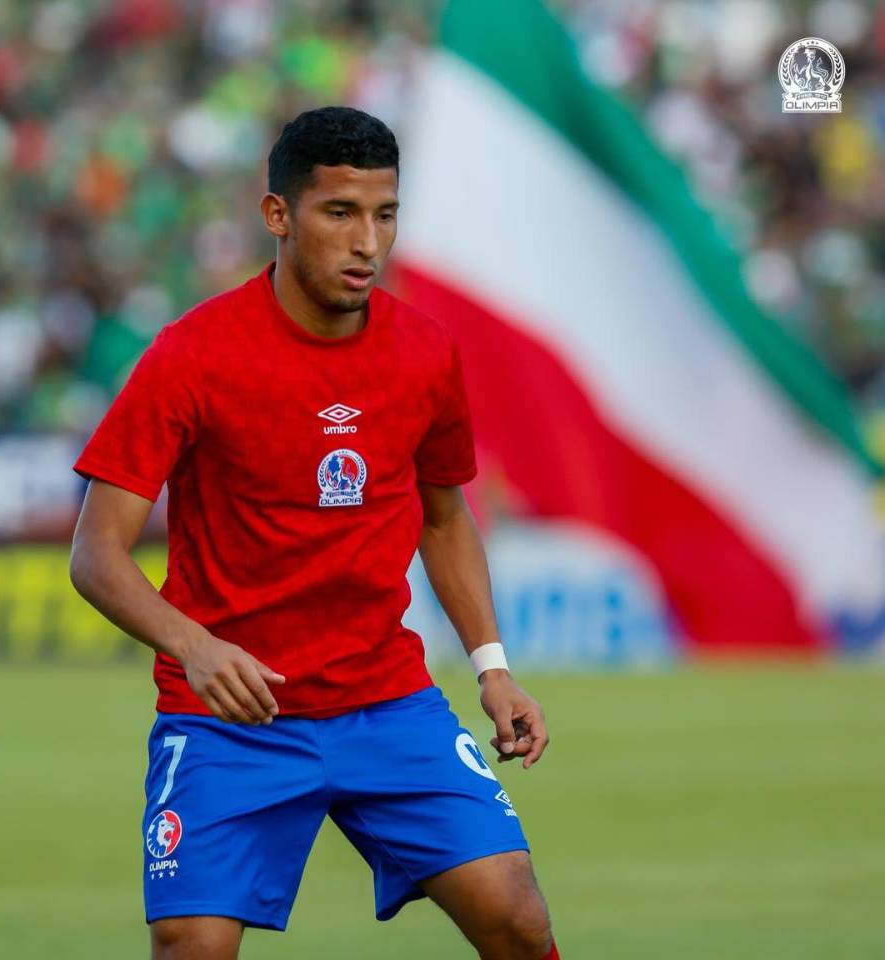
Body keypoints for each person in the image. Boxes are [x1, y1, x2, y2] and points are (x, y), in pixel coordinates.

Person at [70, 106, 559, 960]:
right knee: (192, 944)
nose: (367, 241)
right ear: (279, 216)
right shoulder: (193, 355)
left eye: (385, 215)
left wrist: (493, 669)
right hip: (231, 720)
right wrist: (197, 647)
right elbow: (95, 553)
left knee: (516, 914)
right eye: (340, 213)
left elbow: (444, 518)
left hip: (385, 703)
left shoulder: (426, 353)